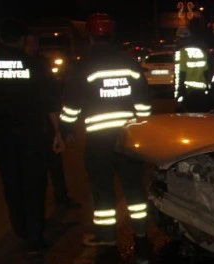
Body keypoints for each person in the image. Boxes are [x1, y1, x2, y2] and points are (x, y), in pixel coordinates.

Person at [58, 12, 152, 247]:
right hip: (129, 136)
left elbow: (72, 104)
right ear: (112, 35)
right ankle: (141, 231)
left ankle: (107, 236)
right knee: (133, 184)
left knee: (102, 187)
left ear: (90, 37)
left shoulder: (84, 66)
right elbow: (144, 102)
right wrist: (142, 128)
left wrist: (65, 129)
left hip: (99, 140)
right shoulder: (130, 64)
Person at [0, 17, 64, 254]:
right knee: (34, 184)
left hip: (2, 136)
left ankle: (21, 228)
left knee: (11, 182)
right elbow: (51, 102)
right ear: (24, 39)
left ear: (1, 38)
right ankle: (34, 237)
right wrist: (58, 132)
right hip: (33, 135)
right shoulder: (36, 65)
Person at [24, 32, 80, 213]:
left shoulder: (40, 63)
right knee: (39, 167)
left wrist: (60, 130)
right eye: (30, 43)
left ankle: (61, 198)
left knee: (55, 165)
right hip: (34, 127)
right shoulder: (34, 65)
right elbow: (51, 99)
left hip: (43, 125)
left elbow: (53, 99)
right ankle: (39, 205)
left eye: (35, 42)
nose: (33, 46)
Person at [173, 23, 210, 112]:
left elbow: (180, 75)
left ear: (179, 39)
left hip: (188, 92)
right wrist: (208, 89)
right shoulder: (201, 51)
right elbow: (206, 72)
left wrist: (178, 95)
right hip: (201, 92)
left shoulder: (180, 53)